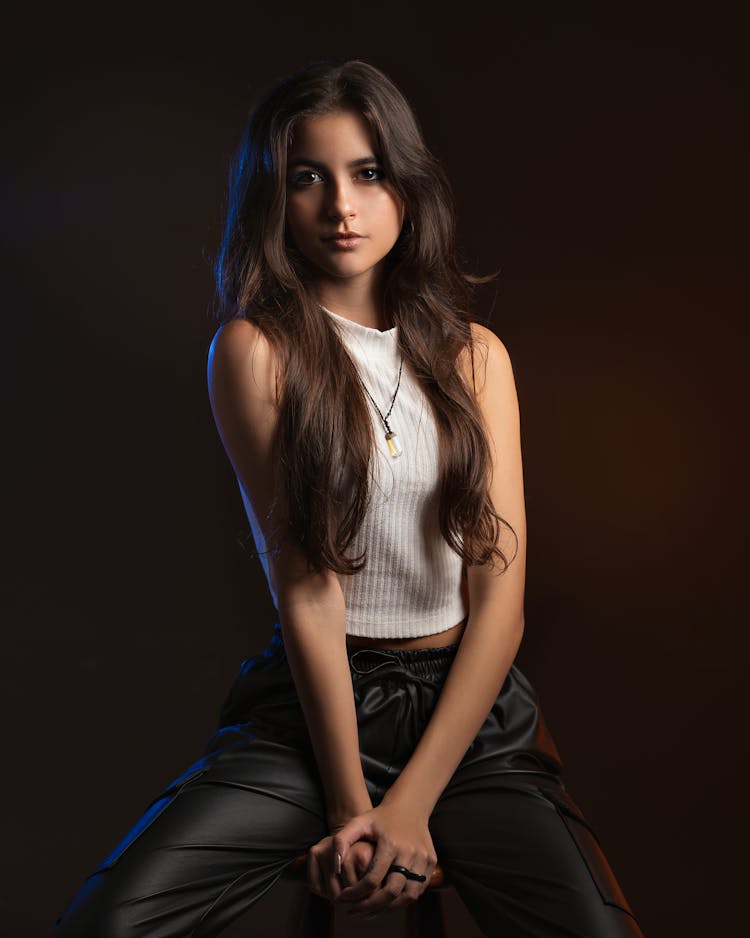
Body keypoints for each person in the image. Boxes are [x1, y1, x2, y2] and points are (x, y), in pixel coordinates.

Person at [53, 59, 645, 937]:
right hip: (317, 710)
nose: (341, 206)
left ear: (404, 186)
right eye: (308, 179)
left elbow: (500, 603)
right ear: (274, 199)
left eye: (367, 174)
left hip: (470, 716)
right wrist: (348, 802)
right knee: (108, 921)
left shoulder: (476, 356)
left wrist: (410, 807)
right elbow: (308, 588)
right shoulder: (254, 353)